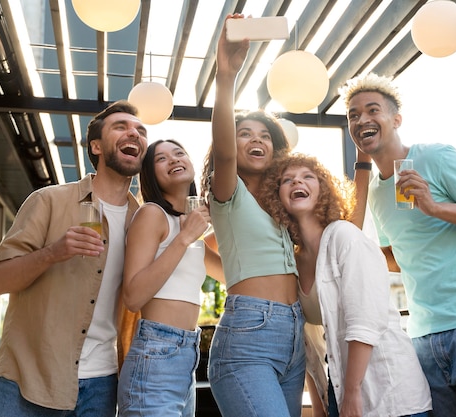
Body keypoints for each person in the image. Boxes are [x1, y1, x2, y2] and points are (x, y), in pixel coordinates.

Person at [338, 72, 456, 417]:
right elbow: (399, 255)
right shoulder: (381, 190)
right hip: (424, 336)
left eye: (372, 110)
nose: (362, 119)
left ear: (396, 119)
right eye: (353, 115)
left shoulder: (436, 156)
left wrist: (435, 206)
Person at [0, 100, 148, 417]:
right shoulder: (48, 200)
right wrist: (52, 253)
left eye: (141, 130)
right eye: (121, 127)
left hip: (102, 384)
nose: (135, 133)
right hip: (28, 378)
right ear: (96, 146)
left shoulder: (142, 223)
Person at [259, 153, 432, 417]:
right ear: (277, 197)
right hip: (341, 389)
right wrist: (321, 404)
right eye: (287, 180)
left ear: (323, 189)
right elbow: (309, 342)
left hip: (390, 393)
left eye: (307, 177)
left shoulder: (345, 236)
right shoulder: (291, 262)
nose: (297, 183)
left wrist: (352, 393)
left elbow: (365, 320)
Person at [203, 13, 305, 417]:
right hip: (248, 335)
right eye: (245, 133)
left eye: (264, 135)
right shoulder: (228, 191)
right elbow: (224, 151)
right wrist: (225, 75)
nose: (255, 139)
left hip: (295, 335)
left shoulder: (286, 204)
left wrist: (363, 167)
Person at [117, 139, 224, 416]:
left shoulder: (192, 233)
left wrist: (227, 219)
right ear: (151, 175)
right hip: (156, 351)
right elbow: (133, 296)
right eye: (161, 158)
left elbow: (232, 275)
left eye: (179, 153)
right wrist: (185, 238)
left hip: (186, 353)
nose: (174, 159)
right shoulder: (152, 214)